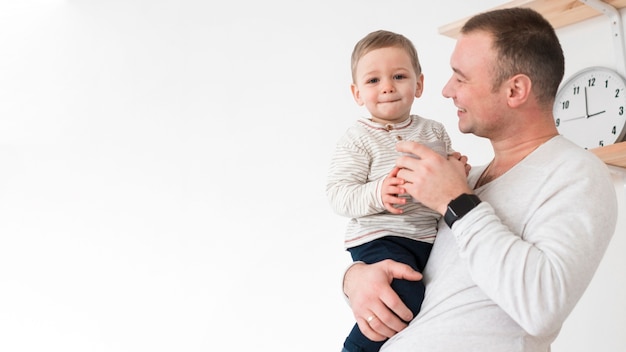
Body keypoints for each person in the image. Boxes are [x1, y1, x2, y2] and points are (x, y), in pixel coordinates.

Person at [342, 8, 618, 352]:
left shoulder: (576, 173)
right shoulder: (462, 178)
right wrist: (354, 280)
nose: (445, 90)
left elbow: (542, 306)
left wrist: (455, 201)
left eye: (461, 77)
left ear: (515, 90)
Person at [327, 30, 458, 352]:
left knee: (427, 304)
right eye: (373, 81)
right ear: (357, 93)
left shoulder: (433, 131)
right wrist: (378, 192)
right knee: (402, 296)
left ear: (419, 84)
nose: (387, 87)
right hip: (379, 237)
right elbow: (338, 193)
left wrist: (456, 168)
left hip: (426, 237)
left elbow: (444, 177)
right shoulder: (359, 138)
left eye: (398, 76)